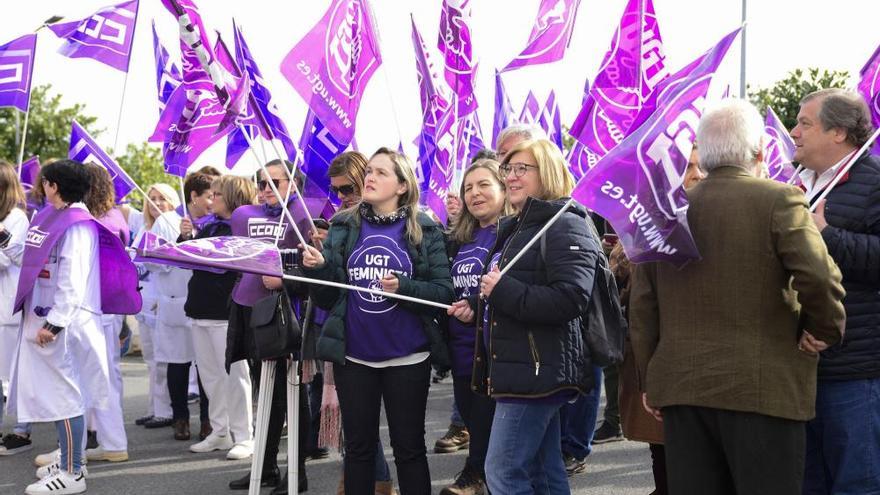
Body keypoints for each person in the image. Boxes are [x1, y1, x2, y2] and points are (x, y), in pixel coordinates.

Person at [629, 99, 847, 494]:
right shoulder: (779, 199)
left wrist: (651, 378)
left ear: (705, 152)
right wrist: (823, 329)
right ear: (760, 152)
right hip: (764, 390)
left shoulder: (664, 212)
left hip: (683, 389)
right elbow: (819, 276)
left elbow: (643, 305)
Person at [302, 148, 454, 495]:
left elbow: (443, 293)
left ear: (402, 185)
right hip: (355, 357)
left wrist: (404, 287)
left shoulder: (425, 229)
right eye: (369, 171)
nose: (369, 177)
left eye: (381, 173)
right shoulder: (344, 225)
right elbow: (328, 297)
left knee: (409, 450)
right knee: (358, 451)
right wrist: (320, 270)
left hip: (408, 358)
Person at [474, 138, 600, 494]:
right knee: (544, 472)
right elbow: (510, 285)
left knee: (503, 472)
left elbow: (572, 297)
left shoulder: (565, 224)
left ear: (546, 173)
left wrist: (502, 292)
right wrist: (477, 302)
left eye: (522, 169)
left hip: (536, 372)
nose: (511, 177)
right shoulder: (519, 226)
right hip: (522, 370)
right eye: (508, 169)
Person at [9, 159, 138, 494]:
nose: (42, 187)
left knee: (67, 397)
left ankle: (72, 472)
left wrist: (54, 324)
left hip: (66, 325)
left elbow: (72, 279)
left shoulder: (77, 224)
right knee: (60, 394)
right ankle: (69, 457)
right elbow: (37, 258)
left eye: (46, 182)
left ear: (54, 185)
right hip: (51, 320)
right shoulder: (55, 216)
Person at [789, 88, 880, 494]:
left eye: (805, 123)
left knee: (855, 483)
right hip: (798, 367)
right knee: (809, 483)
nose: (794, 132)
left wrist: (828, 235)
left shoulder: (874, 183)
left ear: (839, 133)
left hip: (854, 373)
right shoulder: (792, 185)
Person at [614, 144, 707, 495]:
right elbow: (637, 307)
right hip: (656, 361)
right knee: (664, 459)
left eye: (701, 167)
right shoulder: (643, 231)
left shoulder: (716, 221)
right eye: (688, 168)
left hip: (700, 366)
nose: (697, 175)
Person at [225, 159, 312, 494]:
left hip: (287, 313)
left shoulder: (304, 214)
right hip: (250, 310)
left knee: (292, 392)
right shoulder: (246, 215)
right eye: (261, 183)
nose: (265, 190)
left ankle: (297, 471)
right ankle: (265, 464)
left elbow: (315, 268)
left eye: (274, 182)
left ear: (293, 183)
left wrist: (286, 280)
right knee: (266, 395)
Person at [319, 151, 397, 495]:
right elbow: (330, 281)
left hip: (380, 333)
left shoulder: (376, 221)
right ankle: (371, 478)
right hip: (337, 327)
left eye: (348, 188)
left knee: (365, 420)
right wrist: (319, 259)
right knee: (355, 418)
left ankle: (373, 479)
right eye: (336, 191)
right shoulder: (338, 222)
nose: (342, 197)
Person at [442, 159, 509, 495]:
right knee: (472, 421)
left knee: (489, 426)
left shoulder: (512, 233)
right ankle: (478, 476)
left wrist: (475, 300)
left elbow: (509, 283)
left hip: (493, 349)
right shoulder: (458, 238)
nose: (474, 193)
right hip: (459, 347)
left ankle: (474, 476)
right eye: (468, 187)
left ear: (502, 188)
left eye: (483, 184)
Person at [184, 175, 257, 460]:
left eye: (217, 194)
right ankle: (220, 431)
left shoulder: (241, 229)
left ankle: (244, 435)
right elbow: (193, 258)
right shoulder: (209, 226)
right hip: (200, 308)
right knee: (211, 377)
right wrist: (184, 240)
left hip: (226, 311)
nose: (211, 199)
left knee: (235, 377)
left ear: (232, 198)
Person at [81, 163, 130, 463]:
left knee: (102, 376)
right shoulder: (109, 217)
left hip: (102, 306)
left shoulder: (103, 222)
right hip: (107, 306)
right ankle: (105, 439)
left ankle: (111, 442)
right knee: (100, 375)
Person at [132, 185, 177, 431]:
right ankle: (154, 409)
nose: (157, 203)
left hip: (162, 300)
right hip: (143, 302)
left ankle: (165, 411)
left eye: (163, 199)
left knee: (163, 361)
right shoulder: (143, 229)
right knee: (150, 360)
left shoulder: (171, 226)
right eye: (153, 199)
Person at [0, 161, 30, 455]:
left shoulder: (17, 218)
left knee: (13, 374)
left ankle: (22, 432)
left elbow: (8, 259)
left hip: (7, 307)